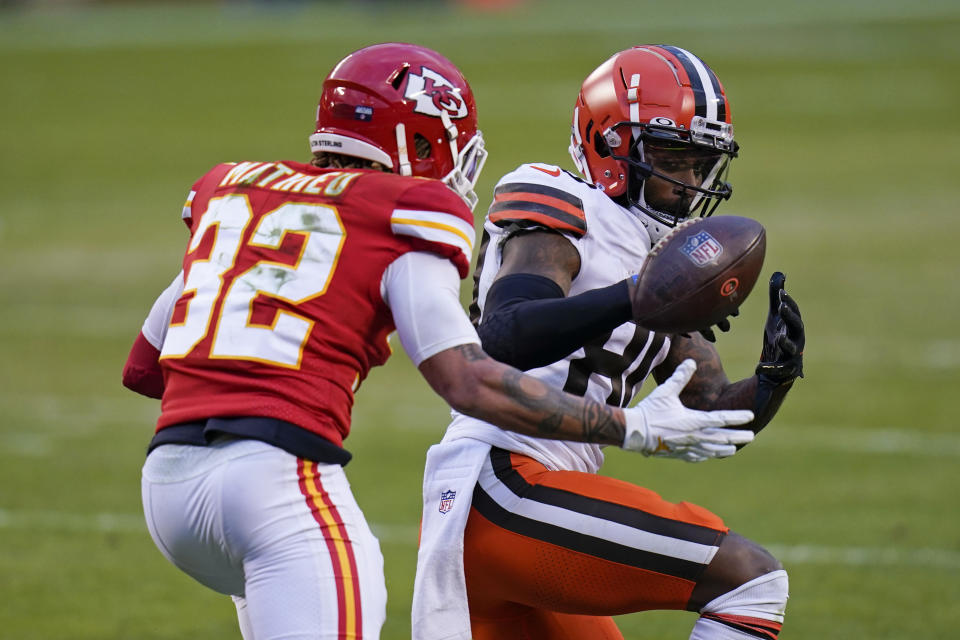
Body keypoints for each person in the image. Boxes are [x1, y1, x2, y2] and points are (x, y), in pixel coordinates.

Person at [121, 42, 757, 640]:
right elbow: (472, 376)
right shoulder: (407, 211)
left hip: (168, 483)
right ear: (417, 140)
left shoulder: (239, 194)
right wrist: (631, 427)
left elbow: (146, 365)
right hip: (279, 480)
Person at [412, 44, 805, 640]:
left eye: (702, 166)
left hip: (531, 500)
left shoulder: (657, 256)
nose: (689, 183)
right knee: (751, 581)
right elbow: (504, 334)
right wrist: (634, 293)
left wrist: (773, 379)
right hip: (501, 481)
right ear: (610, 145)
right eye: (675, 158)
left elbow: (709, 414)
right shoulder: (566, 204)